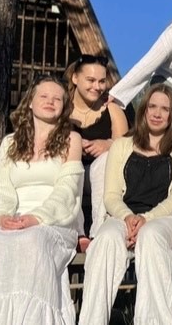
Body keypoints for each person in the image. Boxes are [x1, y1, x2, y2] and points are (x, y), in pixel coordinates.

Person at [0, 76, 84, 325]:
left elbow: (68, 190)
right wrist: (2, 217)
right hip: (14, 219)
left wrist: (37, 218)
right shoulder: (9, 143)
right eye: (43, 96)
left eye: (57, 98)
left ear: (64, 107)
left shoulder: (72, 140)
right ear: (30, 103)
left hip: (54, 221)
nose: (50, 101)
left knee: (32, 241)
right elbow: (1, 188)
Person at [78, 84, 172, 325]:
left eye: (165, 109)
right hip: (124, 216)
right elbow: (111, 195)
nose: (157, 113)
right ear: (144, 110)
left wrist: (147, 219)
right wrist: (129, 217)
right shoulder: (122, 145)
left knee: (151, 235)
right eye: (152, 106)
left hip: (167, 219)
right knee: (105, 238)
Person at [65, 54, 130, 241]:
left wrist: (109, 144)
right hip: (70, 174)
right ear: (75, 78)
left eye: (101, 81)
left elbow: (126, 148)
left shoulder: (111, 109)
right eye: (91, 80)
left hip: (101, 176)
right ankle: (76, 231)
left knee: (106, 160)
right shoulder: (63, 106)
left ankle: (99, 230)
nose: (97, 86)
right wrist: (74, 144)